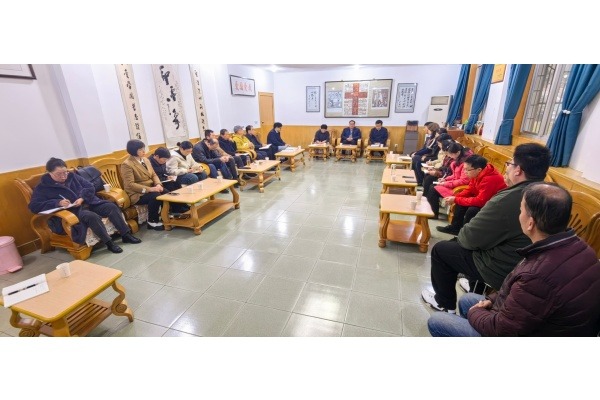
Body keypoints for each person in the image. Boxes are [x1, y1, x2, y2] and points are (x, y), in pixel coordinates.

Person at [427, 182, 600, 336]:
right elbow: (521, 296)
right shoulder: (581, 247)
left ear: (530, 223)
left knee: (438, 321)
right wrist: (492, 300)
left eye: (521, 210)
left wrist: (475, 312)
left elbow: (502, 331)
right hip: (545, 323)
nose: (519, 215)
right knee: (467, 299)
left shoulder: (537, 274)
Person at [421, 143, 551, 313]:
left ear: (518, 170)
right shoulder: (552, 193)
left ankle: (444, 303)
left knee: (442, 250)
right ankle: (473, 285)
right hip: (536, 266)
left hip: (508, 268)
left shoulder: (510, 198)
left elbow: (469, 238)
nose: (507, 168)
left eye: (509, 164)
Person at [29, 157, 142, 254]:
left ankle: (125, 234)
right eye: (59, 174)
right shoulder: (43, 187)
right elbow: (34, 206)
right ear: (49, 173)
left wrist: (82, 197)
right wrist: (57, 203)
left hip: (89, 202)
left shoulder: (72, 176)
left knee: (111, 207)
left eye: (65, 172)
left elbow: (89, 186)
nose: (63, 176)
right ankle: (109, 243)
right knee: (91, 216)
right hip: (74, 211)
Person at [436, 155, 507, 235]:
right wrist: (456, 197)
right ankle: (455, 229)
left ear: (479, 170)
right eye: (464, 169)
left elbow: (480, 201)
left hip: (495, 206)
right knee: (461, 202)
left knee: (472, 210)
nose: (465, 172)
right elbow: (470, 189)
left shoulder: (490, 179)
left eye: (467, 170)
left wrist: (456, 199)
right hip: (484, 200)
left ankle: (465, 236)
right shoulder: (477, 173)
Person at [121, 139, 165, 231]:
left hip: (151, 188)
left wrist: (158, 184)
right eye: (140, 149)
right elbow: (130, 184)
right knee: (155, 196)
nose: (144, 151)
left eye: (143, 148)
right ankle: (152, 222)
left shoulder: (145, 159)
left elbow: (153, 174)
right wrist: (150, 189)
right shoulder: (127, 164)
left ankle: (166, 215)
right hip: (137, 193)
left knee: (166, 191)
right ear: (133, 151)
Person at [424, 140, 465, 215]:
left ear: (458, 153)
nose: (450, 156)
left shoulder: (464, 164)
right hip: (453, 184)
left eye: (451, 154)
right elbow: (454, 175)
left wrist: (445, 183)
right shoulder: (457, 161)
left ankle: (433, 213)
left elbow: (462, 181)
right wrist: (445, 179)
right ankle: (430, 210)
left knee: (433, 188)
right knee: (432, 186)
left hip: (458, 188)